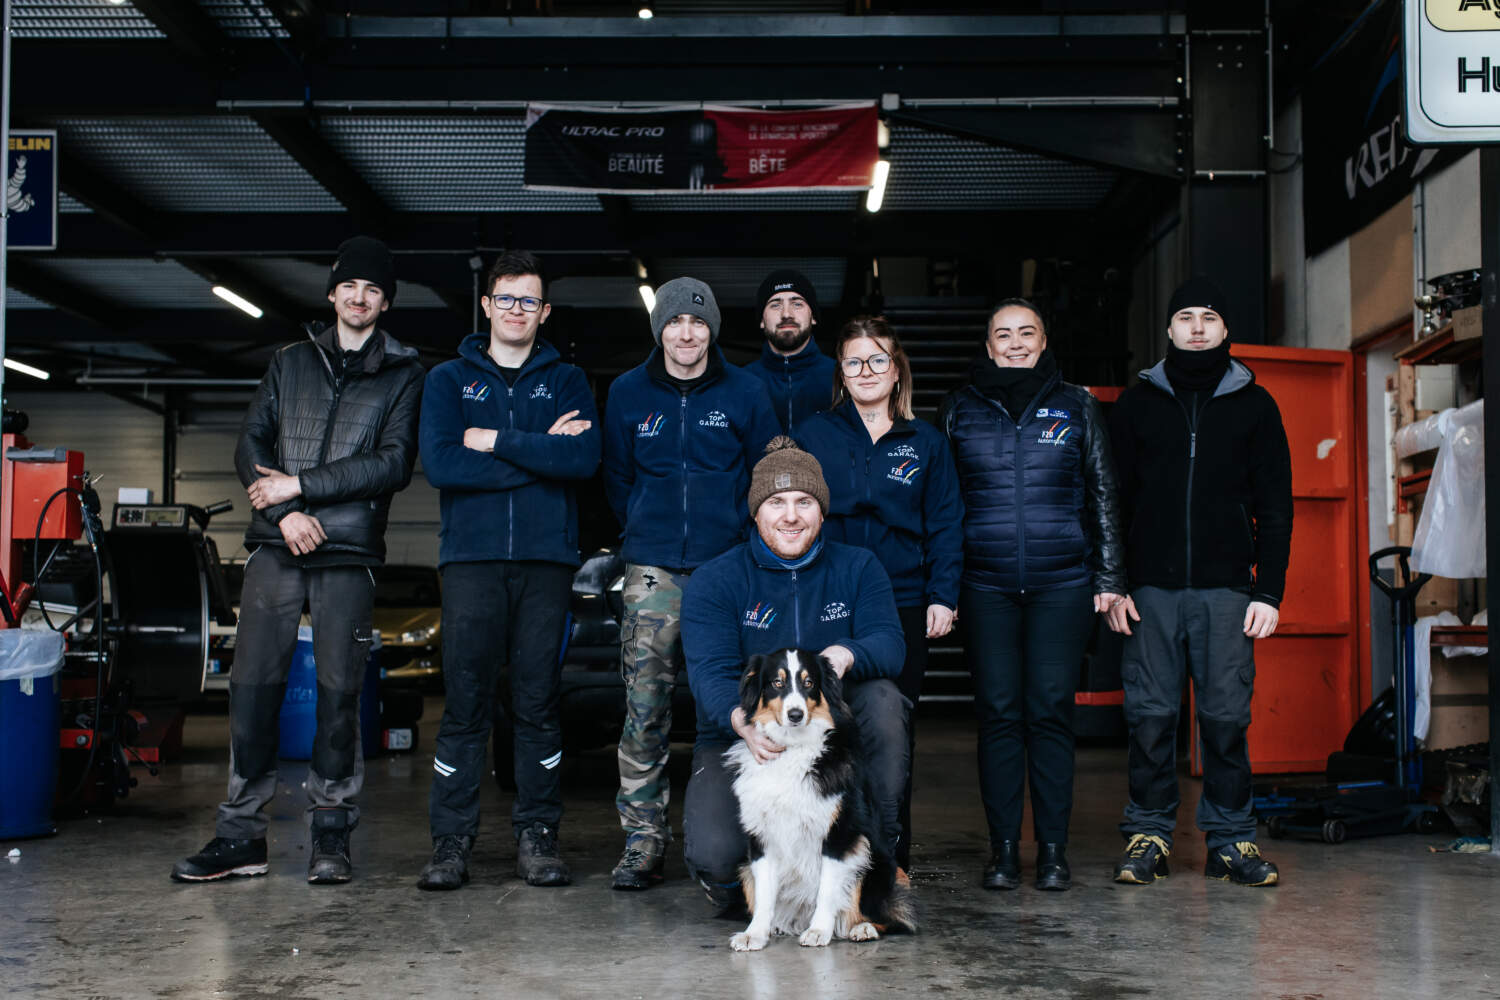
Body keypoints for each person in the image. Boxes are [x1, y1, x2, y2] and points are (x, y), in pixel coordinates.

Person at [171, 236, 425, 885]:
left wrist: (302, 487)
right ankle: (239, 836)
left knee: (340, 697)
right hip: (275, 544)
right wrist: (285, 514)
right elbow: (252, 440)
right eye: (350, 286)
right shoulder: (290, 361)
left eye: (372, 289)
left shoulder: (405, 373)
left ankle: (331, 834)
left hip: (348, 552)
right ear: (333, 293)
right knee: (253, 689)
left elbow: (392, 464)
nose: (359, 297)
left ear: (385, 301)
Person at [415, 249, 601, 891]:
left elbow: (582, 461)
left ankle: (537, 836)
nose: (518, 310)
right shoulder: (446, 382)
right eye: (507, 298)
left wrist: (492, 439)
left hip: (547, 565)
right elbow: (442, 465)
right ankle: (450, 843)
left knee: (537, 704)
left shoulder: (570, 380)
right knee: (464, 704)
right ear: (488, 306)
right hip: (469, 563)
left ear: (543, 312)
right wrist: (541, 450)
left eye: (531, 301)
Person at [1105, 276, 1292, 888]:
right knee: (1150, 718)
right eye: (1185, 316)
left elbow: (1277, 506)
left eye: (1208, 316)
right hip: (1149, 592)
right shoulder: (1136, 405)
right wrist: (1113, 583)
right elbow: (1111, 502)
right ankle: (1150, 835)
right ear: (1168, 328)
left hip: (1226, 591)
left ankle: (1232, 841)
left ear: (1224, 328)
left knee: (1225, 719)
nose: (1196, 327)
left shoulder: (1255, 405)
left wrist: (1269, 592)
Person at [940, 297, 1125, 892]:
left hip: (1061, 584)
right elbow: (943, 507)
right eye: (1003, 334)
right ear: (988, 344)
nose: (1015, 343)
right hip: (985, 585)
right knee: (998, 715)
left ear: (1044, 341)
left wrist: (1109, 578)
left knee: (1049, 714)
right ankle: (1001, 853)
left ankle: (1051, 852)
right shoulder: (960, 409)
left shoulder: (1078, 406)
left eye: (1027, 333)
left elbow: (1103, 495)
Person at [601, 277, 780, 890]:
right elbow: (619, 480)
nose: (686, 333)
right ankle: (644, 840)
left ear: (712, 331)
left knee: (736, 701)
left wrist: (736, 539)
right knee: (644, 705)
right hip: (651, 567)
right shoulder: (626, 393)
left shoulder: (747, 392)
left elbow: (767, 478)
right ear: (660, 329)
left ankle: (740, 835)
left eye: (698, 323)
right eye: (676, 322)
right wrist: (645, 533)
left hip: (727, 567)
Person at [680, 438, 908, 910]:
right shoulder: (716, 580)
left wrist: (846, 653)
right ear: (755, 513)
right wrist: (741, 723)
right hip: (744, 740)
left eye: (804, 502)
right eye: (776, 503)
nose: (791, 516)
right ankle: (770, 893)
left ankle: (877, 857)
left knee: (884, 699)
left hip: (824, 741)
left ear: (822, 512)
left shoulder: (858, 567)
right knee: (720, 861)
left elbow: (890, 644)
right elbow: (710, 674)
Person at [794, 315, 963, 869]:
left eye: (878, 360)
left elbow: (944, 523)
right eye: (854, 361)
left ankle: (892, 864)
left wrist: (943, 594)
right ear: (840, 373)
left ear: (896, 372)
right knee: (824, 733)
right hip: (829, 598)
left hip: (905, 600)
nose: (866, 370)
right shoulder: (814, 434)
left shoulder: (927, 442)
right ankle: (822, 859)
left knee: (891, 731)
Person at [743, 268, 837, 434]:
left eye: (797, 304)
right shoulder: (742, 383)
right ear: (762, 321)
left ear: (813, 317)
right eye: (775, 305)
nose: (787, 314)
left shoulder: (841, 378)